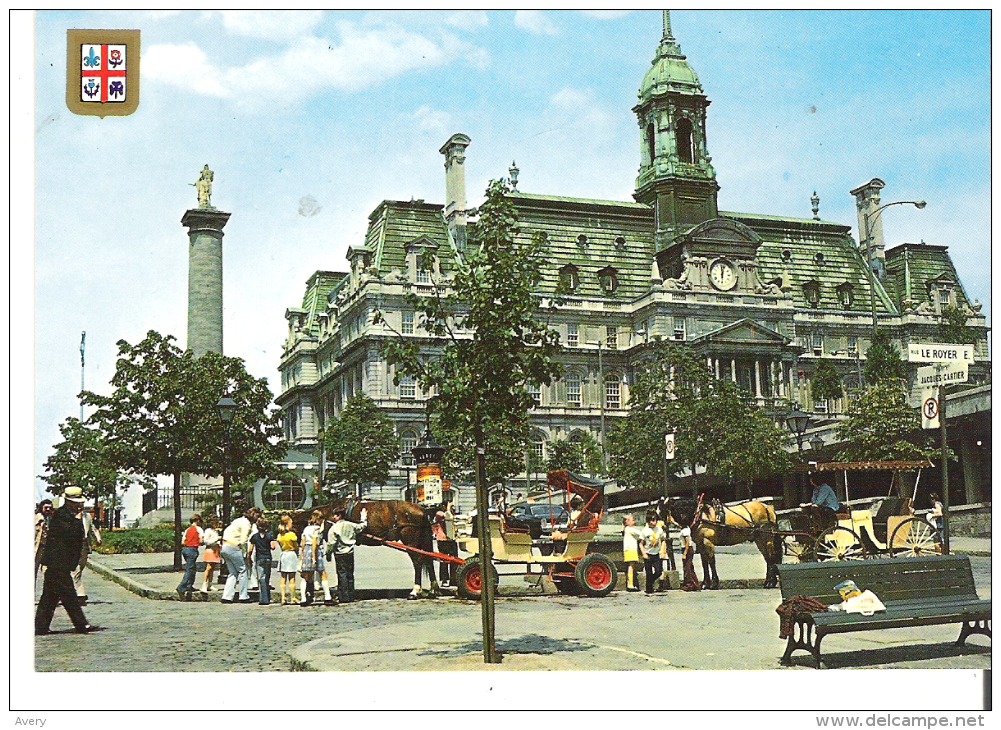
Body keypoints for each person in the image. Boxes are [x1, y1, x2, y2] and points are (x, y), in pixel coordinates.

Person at [35, 487, 98, 634]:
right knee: (69, 596)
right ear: (69, 502)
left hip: (59, 563)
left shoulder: (69, 516)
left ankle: (41, 626)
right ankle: (81, 625)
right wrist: (76, 522)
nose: (80, 505)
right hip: (58, 563)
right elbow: (67, 537)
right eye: (77, 503)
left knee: (49, 597)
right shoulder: (62, 516)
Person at [327, 507, 368, 604]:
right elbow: (362, 526)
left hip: (339, 553)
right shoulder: (351, 525)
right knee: (350, 574)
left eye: (335, 515)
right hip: (350, 552)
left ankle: (344, 596)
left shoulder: (334, 528)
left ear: (339, 516)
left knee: (342, 574)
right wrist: (363, 516)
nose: (333, 517)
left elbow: (331, 543)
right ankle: (351, 595)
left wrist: (328, 553)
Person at [220, 507, 258, 603]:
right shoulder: (246, 524)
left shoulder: (237, 520)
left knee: (232, 573)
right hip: (234, 546)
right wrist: (245, 554)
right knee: (243, 570)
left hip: (225, 546)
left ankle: (227, 596)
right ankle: (243, 595)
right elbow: (244, 539)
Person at [72, 502, 102, 605]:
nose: (80, 506)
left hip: (84, 545)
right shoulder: (68, 516)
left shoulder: (87, 516)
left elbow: (93, 528)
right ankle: (80, 595)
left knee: (79, 569)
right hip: (71, 546)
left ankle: (73, 594)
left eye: (81, 504)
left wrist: (98, 538)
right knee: (75, 570)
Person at [298, 510, 327, 606]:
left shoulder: (306, 529)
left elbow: (303, 542)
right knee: (322, 573)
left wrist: (302, 555)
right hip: (315, 551)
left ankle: (303, 598)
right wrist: (314, 557)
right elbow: (315, 542)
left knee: (306, 576)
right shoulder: (316, 529)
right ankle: (327, 596)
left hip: (306, 550)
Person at [248, 517, 275, 605]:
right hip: (268, 557)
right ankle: (267, 596)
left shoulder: (254, 536)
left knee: (261, 578)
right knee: (267, 577)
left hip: (259, 558)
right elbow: (273, 546)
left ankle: (264, 599)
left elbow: (250, 549)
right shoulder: (269, 535)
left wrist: (249, 557)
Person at [176, 514, 203, 600]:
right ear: (197, 521)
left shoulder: (187, 530)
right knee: (190, 569)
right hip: (193, 549)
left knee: (192, 567)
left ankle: (189, 585)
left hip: (185, 549)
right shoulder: (199, 529)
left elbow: (183, 542)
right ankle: (181, 587)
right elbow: (201, 540)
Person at [640, 511, 666, 595]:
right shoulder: (645, 530)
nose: (654, 522)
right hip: (648, 553)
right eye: (651, 520)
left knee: (659, 571)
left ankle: (650, 581)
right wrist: (643, 553)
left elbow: (663, 540)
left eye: (655, 520)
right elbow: (641, 543)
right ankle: (649, 589)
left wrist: (662, 550)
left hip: (656, 554)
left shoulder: (659, 530)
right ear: (648, 521)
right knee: (649, 572)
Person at [433, 503, 458, 587]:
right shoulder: (440, 513)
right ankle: (444, 579)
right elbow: (445, 516)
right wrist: (448, 508)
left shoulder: (450, 514)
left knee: (454, 559)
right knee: (444, 560)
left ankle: (453, 578)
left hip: (451, 538)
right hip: (442, 539)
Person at [276, 516, 299, 605]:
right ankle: (293, 597)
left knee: (283, 577)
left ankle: (283, 597)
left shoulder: (279, 535)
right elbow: (296, 546)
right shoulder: (291, 535)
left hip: (283, 554)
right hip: (291, 554)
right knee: (292, 577)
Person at [34, 499, 54, 590]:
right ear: (41, 507)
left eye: (50, 508)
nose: (48, 509)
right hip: (37, 548)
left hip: (48, 548)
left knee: (49, 572)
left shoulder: (51, 518)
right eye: (46, 507)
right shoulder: (37, 518)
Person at [200, 518, 222, 594]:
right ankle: (204, 584)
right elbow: (206, 541)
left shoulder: (215, 531)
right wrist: (216, 539)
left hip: (216, 549)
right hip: (210, 549)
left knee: (213, 567)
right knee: (209, 567)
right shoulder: (208, 531)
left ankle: (210, 583)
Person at [622, 514, 643, 592]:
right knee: (631, 566)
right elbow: (640, 534)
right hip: (631, 549)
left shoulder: (626, 529)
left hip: (628, 549)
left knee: (631, 566)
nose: (634, 521)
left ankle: (630, 583)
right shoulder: (630, 529)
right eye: (632, 520)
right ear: (627, 522)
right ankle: (630, 584)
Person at [680, 526, 701, 592]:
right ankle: (696, 585)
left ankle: (689, 585)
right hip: (688, 549)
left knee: (687, 568)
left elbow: (687, 542)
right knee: (690, 568)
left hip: (687, 549)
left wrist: (685, 553)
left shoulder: (685, 530)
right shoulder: (686, 529)